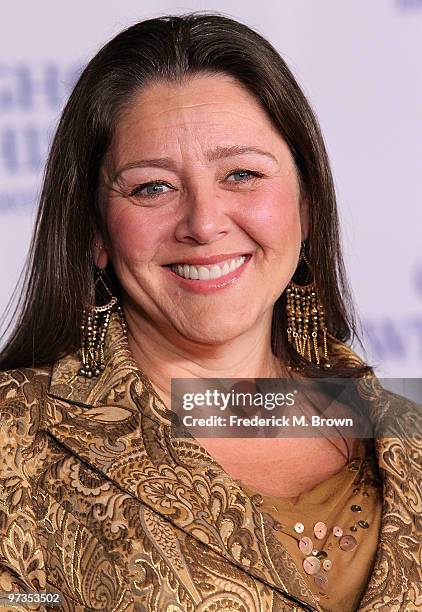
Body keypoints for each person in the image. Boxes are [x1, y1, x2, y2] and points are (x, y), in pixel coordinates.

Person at [0, 12, 420, 612]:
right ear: (95, 230)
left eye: (242, 175)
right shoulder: (12, 446)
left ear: (306, 205)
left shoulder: (405, 429)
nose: (203, 222)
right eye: (152, 187)